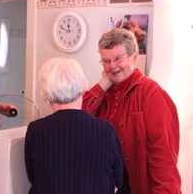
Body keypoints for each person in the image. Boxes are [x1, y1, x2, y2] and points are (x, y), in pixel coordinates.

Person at [82, 28, 181, 193]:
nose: (112, 66)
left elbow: (164, 161)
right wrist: (103, 84)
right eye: (106, 61)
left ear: (134, 58)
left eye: (117, 59)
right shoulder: (104, 94)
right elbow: (77, 118)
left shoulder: (151, 93)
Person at [25, 57, 123, 194]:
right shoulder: (106, 130)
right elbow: (118, 179)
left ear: (45, 96)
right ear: (83, 88)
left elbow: (33, 177)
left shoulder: (35, 130)